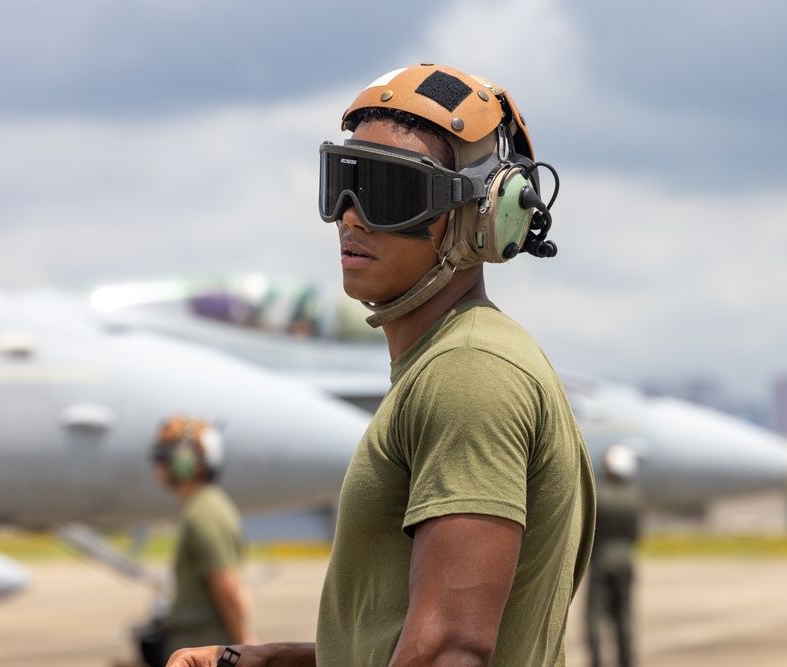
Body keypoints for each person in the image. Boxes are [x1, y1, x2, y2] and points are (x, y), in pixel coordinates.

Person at [167, 63, 596, 667]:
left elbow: (450, 650)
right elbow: (408, 641)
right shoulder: (444, 364)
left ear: (484, 215)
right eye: (345, 181)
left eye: (388, 191)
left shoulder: (470, 372)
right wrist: (271, 661)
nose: (351, 214)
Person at [149, 416, 255, 665]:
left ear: (185, 462)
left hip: (206, 647)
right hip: (201, 645)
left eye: (162, 456)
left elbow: (226, 586)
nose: (158, 464)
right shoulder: (202, 506)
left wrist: (246, 647)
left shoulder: (204, 512)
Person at [585, 444, 642, 667]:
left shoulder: (599, 496)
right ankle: (626, 661)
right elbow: (635, 534)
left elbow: (590, 533)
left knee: (595, 618)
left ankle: (597, 661)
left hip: (600, 562)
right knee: (624, 617)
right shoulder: (634, 498)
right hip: (626, 561)